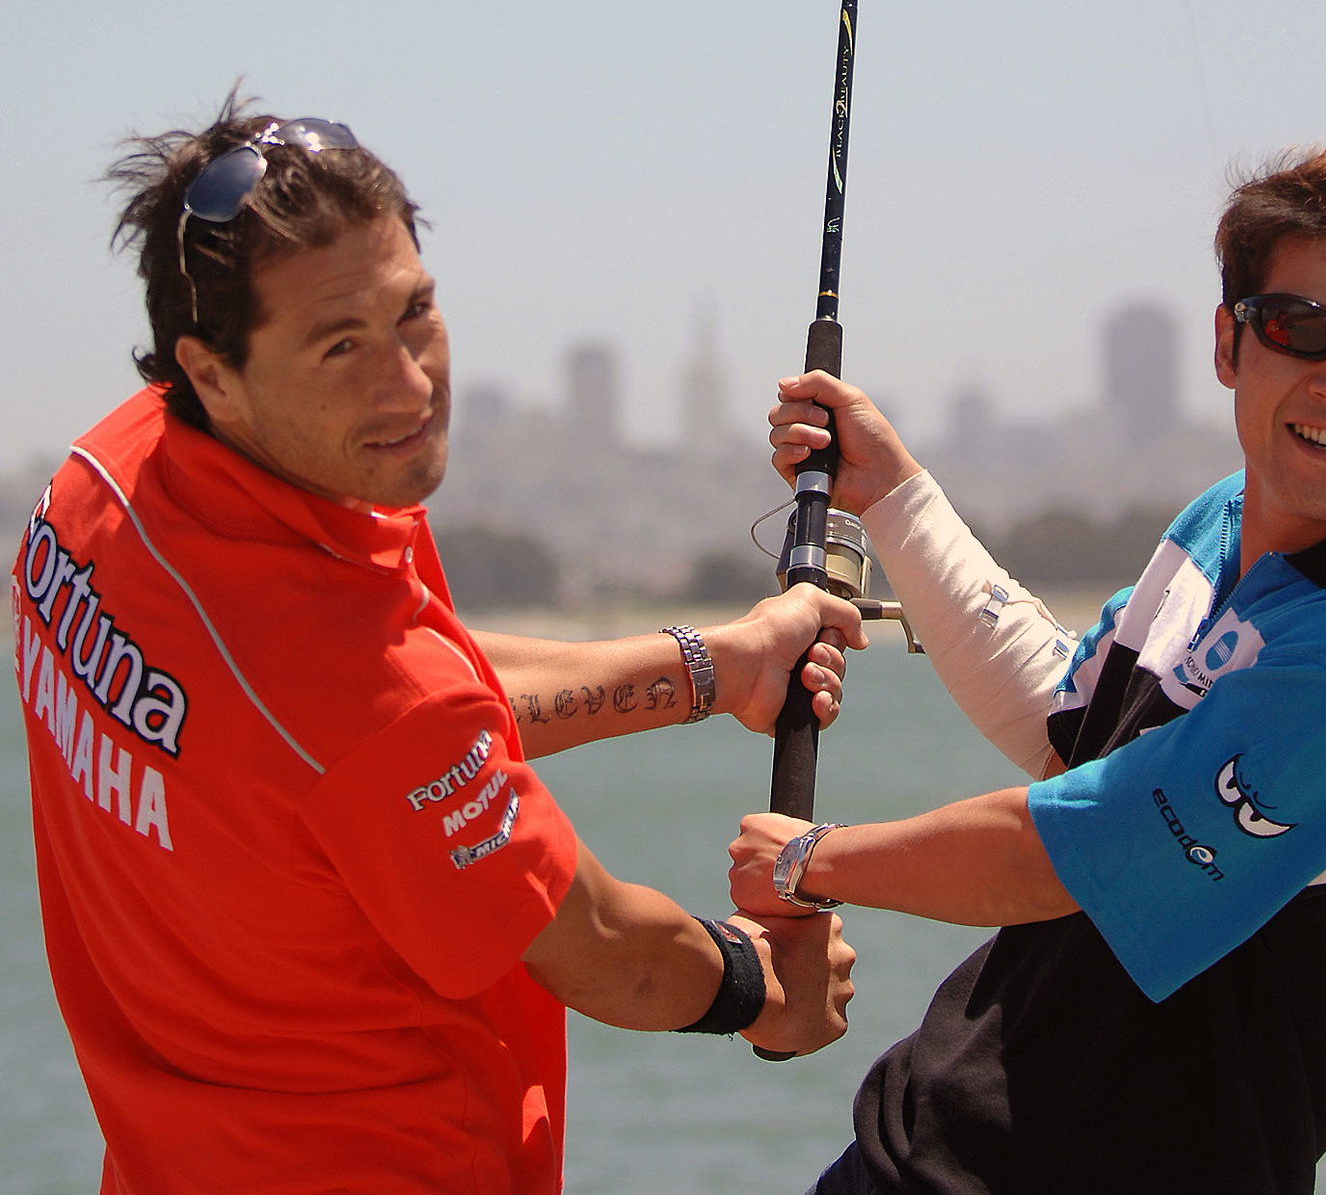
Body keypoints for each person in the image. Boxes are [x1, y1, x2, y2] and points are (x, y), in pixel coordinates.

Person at [16, 99, 864, 1195]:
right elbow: (606, 951)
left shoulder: (95, 492)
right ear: (213, 371)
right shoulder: (355, 692)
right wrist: (762, 981)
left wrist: (714, 665)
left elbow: (390, 715)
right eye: (340, 345)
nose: (410, 385)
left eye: (413, 311)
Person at [732, 122, 1326, 1195]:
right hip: (920, 1146)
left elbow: (1063, 853)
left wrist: (805, 861)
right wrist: (896, 497)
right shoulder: (1222, 518)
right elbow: (1069, 731)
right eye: (1299, 329)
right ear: (1230, 345)